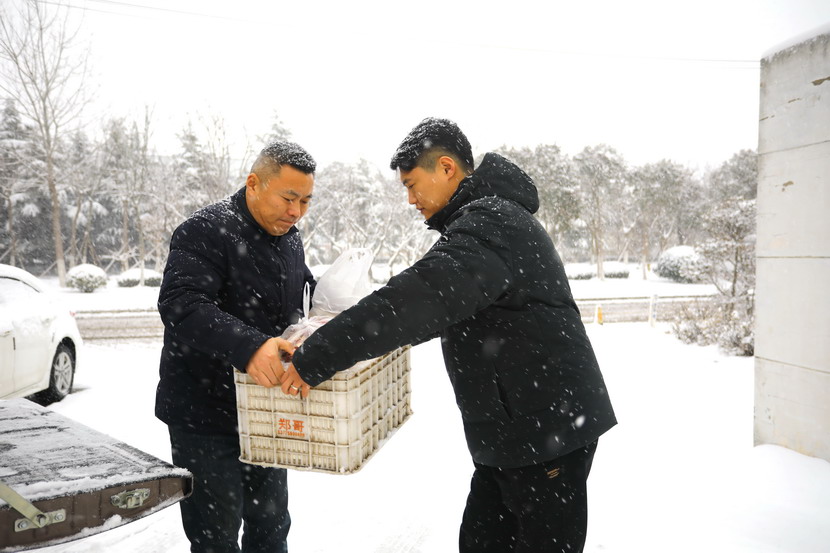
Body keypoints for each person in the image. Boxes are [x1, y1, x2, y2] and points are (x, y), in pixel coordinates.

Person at [280, 118, 617, 552]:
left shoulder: (491, 224)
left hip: (544, 432)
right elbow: (436, 308)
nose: (409, 199)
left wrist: (319, 354)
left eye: (411, 184)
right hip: (516, 430)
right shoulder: (483, 222)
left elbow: (417, 301)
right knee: (481, 540)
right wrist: (341, 333)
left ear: (445, 167)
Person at [155, 139, 316, 553]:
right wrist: (250, 347)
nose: (296, 211)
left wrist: (328, 311)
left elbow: (301, 293)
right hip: (204, 416)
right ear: (254, 184)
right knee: (216, 537)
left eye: (305, 201)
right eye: (288, 198)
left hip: (264, 410)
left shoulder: (289, 238)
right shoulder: (206, 229)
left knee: (271, 528)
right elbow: (181, 304)